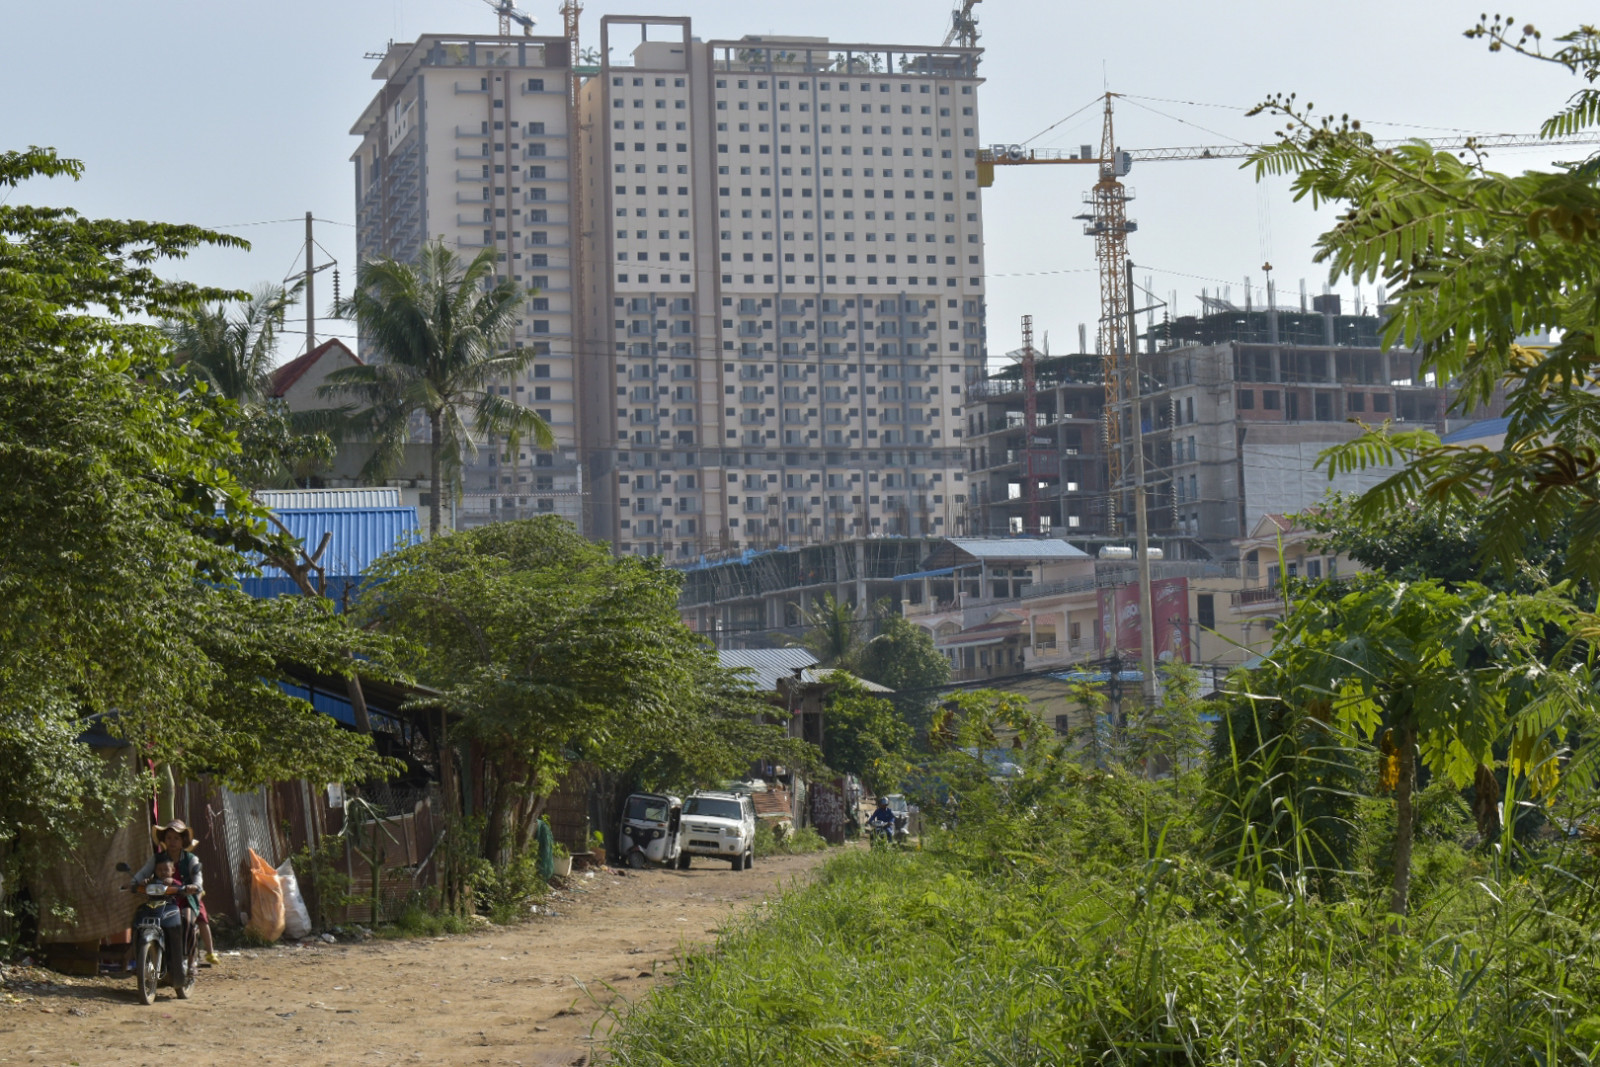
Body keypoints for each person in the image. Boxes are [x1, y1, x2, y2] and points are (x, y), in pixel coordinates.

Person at [131, 820, 215, 980]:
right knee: (140, 918)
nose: (172, 842)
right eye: (169, 838)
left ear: (183, 840)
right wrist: (134, 882)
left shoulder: (191, 859)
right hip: (161, 900)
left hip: (184, 900)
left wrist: (194, 886)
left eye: (176, 838)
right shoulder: (157, 858)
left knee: (188, 921)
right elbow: (143, 873)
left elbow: (198, 879)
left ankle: (191, 962)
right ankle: (139, 958)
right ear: (164, 840)